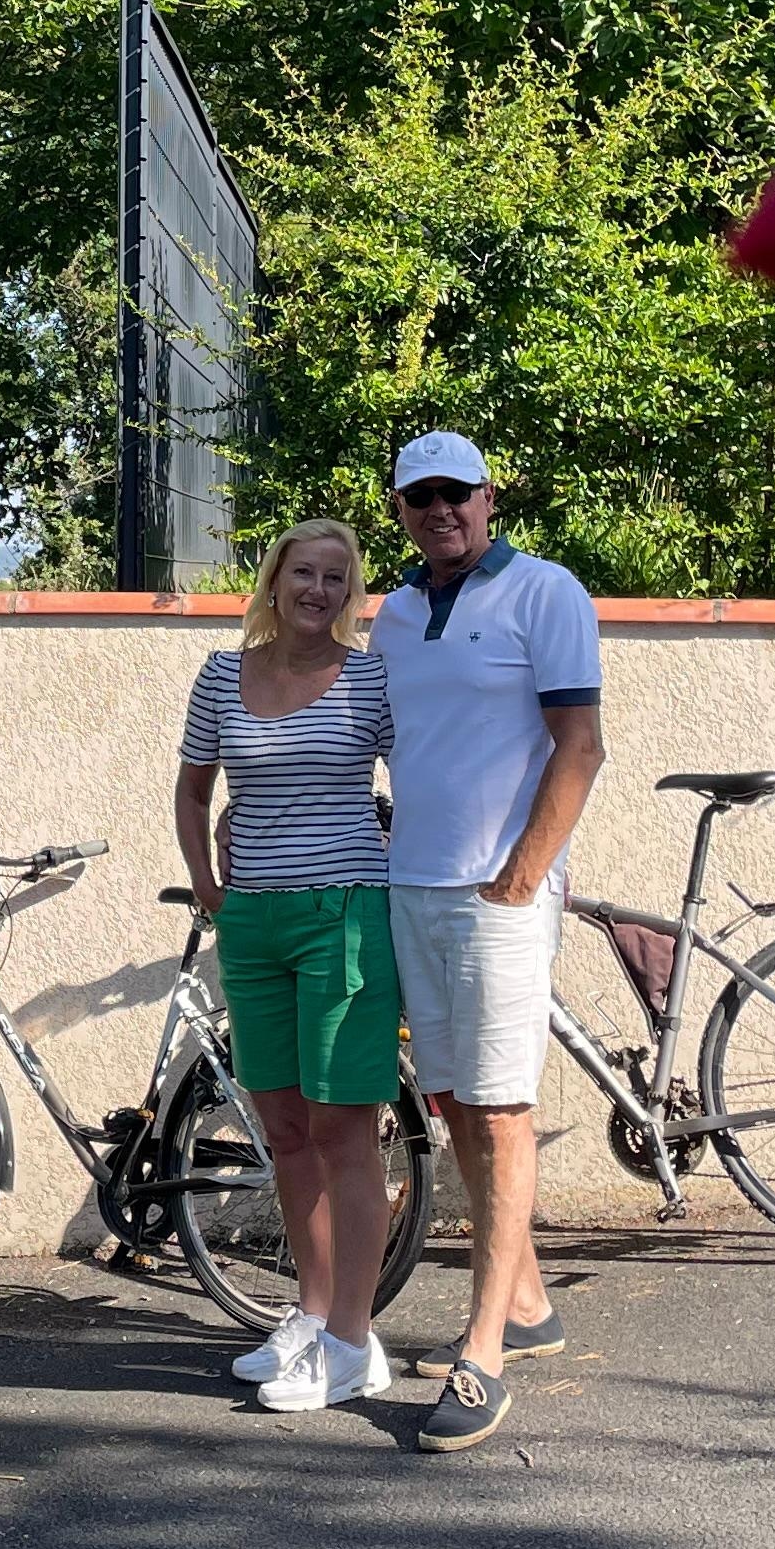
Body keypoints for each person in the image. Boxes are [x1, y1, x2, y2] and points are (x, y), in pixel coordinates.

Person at [373, 430, 604, 1454]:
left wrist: (519, 880)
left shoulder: (546, 592)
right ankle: (528, 1306)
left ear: (488, 495)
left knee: (503, 1111)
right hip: (412, 887)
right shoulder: (393, 612)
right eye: (421, 497)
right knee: (457, 1100)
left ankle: (484, 1355)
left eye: (456, 493)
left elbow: (580, 747)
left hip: (499, 898)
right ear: (401, 511)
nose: (441, 510)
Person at [174, 517, 400, 1416]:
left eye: (336, 578)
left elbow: (418, 785)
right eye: (303, 572)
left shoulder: (372, 679)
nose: (318, 590)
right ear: (273, 581)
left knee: (344, 1129)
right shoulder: (221, 675)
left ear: (351, 593)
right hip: (254, 923)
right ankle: (311, 1317)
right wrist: (208, 887)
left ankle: (353, 1341)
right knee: (287, 1130)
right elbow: (194, 788)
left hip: (345, 916)